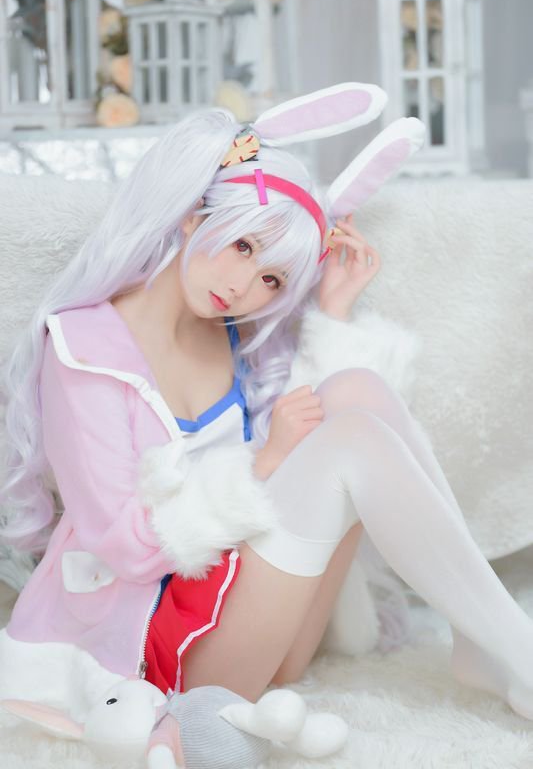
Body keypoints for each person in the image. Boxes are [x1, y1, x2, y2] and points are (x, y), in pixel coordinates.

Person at [1, 84, 533, 732]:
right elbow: (128, 549)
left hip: (259, 623)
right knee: (353, 439)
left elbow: (304, 452)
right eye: (244, 247)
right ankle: (511, 648)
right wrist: (264, 462)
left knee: (356, 391)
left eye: (273, 279)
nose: (242, 287)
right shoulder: (83, 347)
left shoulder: (229, 338)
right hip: (153, 653)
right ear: (194, 217)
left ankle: (483, 635)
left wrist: (332, 311)